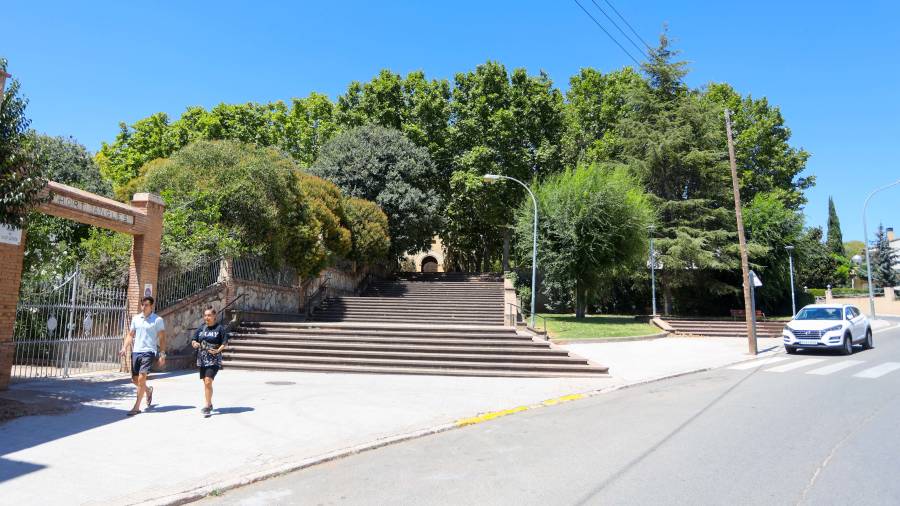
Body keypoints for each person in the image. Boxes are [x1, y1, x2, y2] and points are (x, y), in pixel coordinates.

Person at [119, 296, 166, 416]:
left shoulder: (157, 320)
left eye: (146, 305)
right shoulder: (136, 319)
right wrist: (124, 347)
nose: (144, 307)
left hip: (149, 351)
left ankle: (136, 407)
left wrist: (162, 354)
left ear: (151, 306)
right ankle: (148, 390)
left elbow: (162, 338)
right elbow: (130, 335)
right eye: (142, 305)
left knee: (141, 378)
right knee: (134, 379)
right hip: (136, 351)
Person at [191, 307, 228, 416]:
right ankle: (210, 403)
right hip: (202, 359)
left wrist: (218, 350)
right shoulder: (201, 328)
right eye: (205, 315)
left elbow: (224, 342)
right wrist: (195, 343)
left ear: (214, 316)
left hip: (214, 359)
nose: (206, 317)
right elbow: (194, 340)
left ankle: (207, 406)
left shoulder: (219, 328)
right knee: (206, 383)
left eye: (209, 315)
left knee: (208, 381)